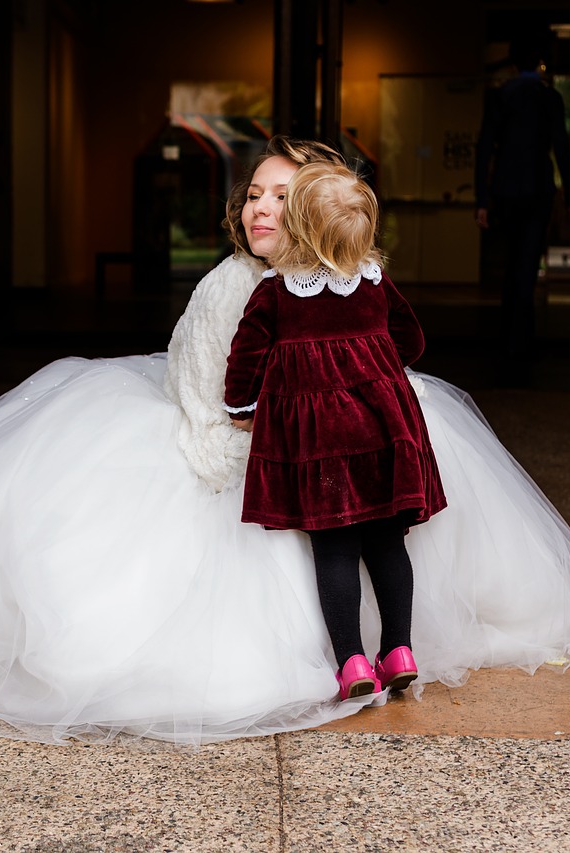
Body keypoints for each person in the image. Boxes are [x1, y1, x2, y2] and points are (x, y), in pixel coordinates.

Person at [0, 136, 570, 746]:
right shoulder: (234, 288)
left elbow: (400, 339)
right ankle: (357, 650)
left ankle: (396, 642)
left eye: (283, 194)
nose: (262, 208)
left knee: (398, 516)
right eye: (253, 196)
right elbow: (215, 403)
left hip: (341, 429)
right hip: (250, 441)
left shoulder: (340, 282)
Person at [222, 161, 445, 701]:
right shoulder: (374, 282)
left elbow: (245, 359)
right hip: (384, 431)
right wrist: (375, 367)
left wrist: (242, 405)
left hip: (321, 442)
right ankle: (399, 649)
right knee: (388, 545)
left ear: (296, 228)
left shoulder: (275, 293)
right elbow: (411, 341)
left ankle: (351, 663)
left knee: (336, 550)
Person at [475, 33, 570, 370]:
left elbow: (485, 147)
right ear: (540, 63)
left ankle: (508, 337)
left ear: (515, 63)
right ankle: (521, 340)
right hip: (537, 190)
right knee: (527, 264)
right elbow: (561, 147)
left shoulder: (501, 96)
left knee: (509, 263)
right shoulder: (550, 98)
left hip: (505, 190)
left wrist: (482, 199)